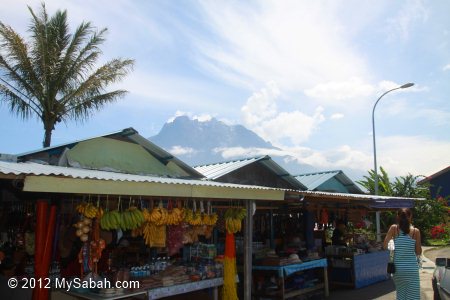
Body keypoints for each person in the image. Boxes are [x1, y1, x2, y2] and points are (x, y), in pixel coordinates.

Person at [383, 208, 422, 300]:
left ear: (397, 217)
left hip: (397, 269)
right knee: (413, 296)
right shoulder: (415, 231)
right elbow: (418, 252)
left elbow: (385, 246)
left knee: (401, 294)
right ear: (410, 217)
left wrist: (394, 242)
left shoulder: (394, 228)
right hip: (411, 269)